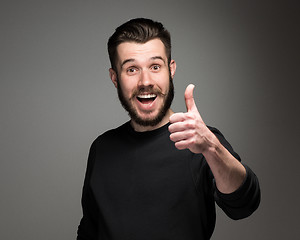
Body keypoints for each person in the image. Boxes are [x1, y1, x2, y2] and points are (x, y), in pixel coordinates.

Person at [77, 18, 260, 240]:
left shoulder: (200, 140)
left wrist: (212, 148)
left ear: (170, 70)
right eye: (132, 69)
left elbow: (244, 205)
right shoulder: (102, 148)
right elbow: (89, 230)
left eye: (155, 67)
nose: (145, 81)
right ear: (115, 78)